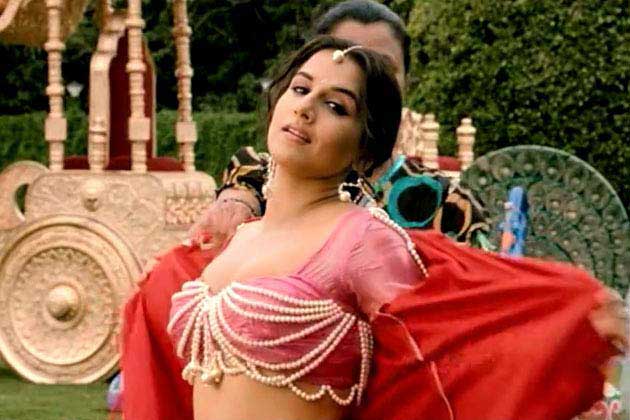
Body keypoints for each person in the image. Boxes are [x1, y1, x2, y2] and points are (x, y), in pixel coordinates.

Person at [165, 36, 625, 420]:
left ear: (366, 149)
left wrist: (569, 316)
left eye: (336, 106)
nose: (305, 109)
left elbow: (450, 342)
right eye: (300, 89)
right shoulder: (239, 238)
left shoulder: (361, 240)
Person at [189, 0, 489, 248]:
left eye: (382, 68)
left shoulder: (446, 203)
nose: (359, 77)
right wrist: (239, 199)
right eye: (345, 58)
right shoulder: (260, 182)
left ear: (405, 83)